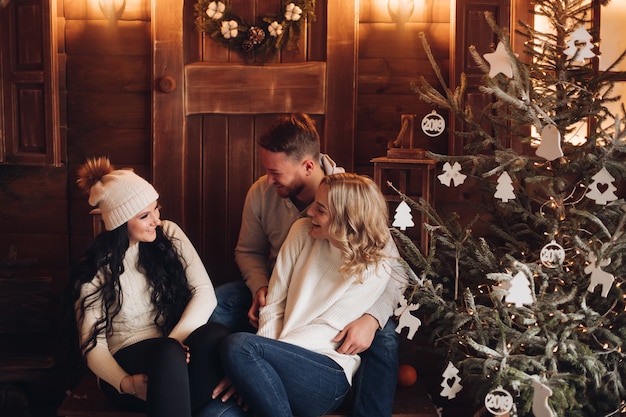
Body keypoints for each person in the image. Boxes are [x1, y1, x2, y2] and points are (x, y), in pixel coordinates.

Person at [209, 113, 402, 417]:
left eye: (275, 172)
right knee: (215, 305)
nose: (268, 179)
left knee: (385, 334)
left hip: (320, 336)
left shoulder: (351, 201)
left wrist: (372, 318)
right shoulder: (267, 198)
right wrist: (260, 286)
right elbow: (247, 251)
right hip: (279, 287)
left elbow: (394, 270)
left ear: (308, 166)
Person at [68, 157, 232, 417]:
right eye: (144, 216)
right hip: (128, 374)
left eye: (156, 208)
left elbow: (205, 294)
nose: (156, 219)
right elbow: (92, 346)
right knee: (167, 353)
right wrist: (126, 384)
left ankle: (172, 401)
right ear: (121, 223)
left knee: (216, 335)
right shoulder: (96, 267)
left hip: (174, 355)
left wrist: (174, 345)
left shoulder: (169, 233)